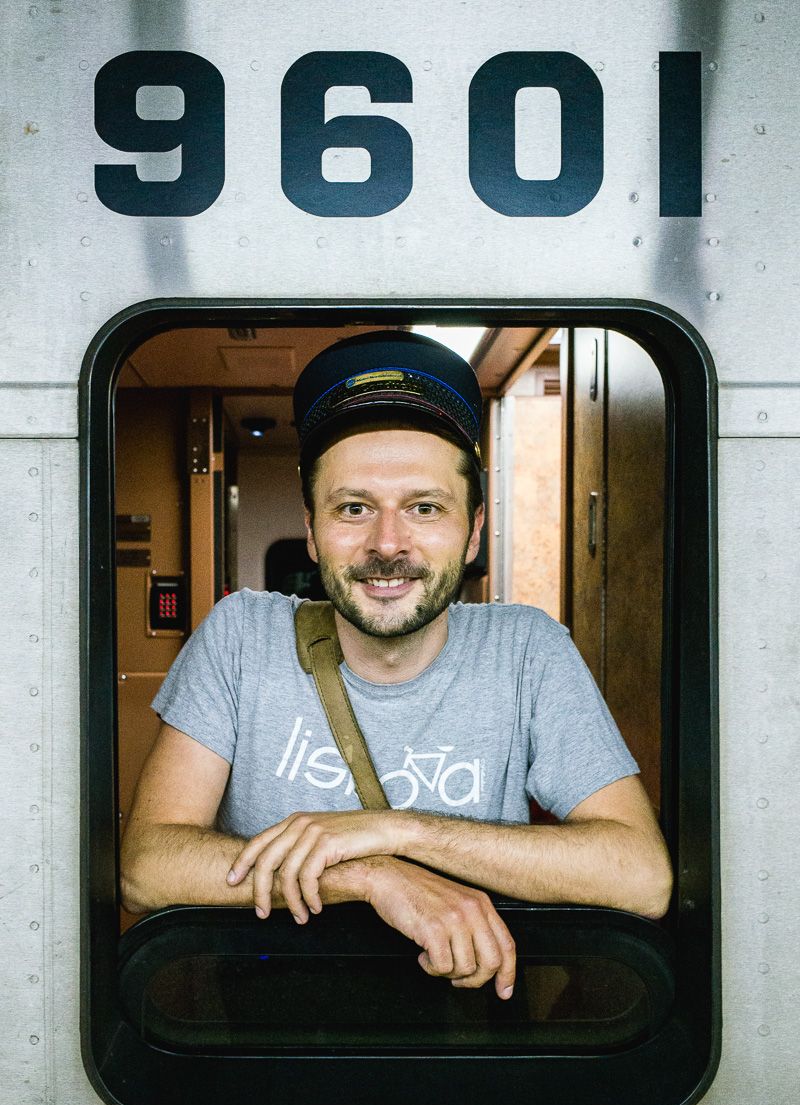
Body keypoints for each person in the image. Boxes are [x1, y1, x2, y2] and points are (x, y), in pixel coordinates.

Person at [121, 330, 673, 1001]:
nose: (388, 544)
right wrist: (371, 873)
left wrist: (398, 827)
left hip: (466, 1036)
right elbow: (147, 867)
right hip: (263, 1039)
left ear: (471, 533)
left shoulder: (527, 650)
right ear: (314, 528)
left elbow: (641, 876)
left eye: (424, 508)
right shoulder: (242, 636)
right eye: (354, 508)